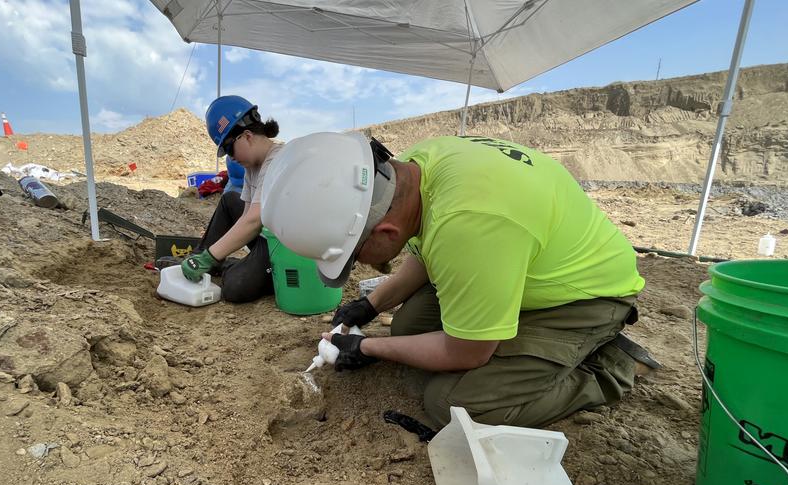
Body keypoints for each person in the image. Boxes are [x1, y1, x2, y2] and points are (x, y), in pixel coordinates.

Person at [260, 132, 660, 428]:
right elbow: (424, 251)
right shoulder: (412, 169)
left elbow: (467, 352)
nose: (360, 266)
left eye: (355, 257)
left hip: (582, 296)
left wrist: (370, 348)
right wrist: (371, 305)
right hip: (515, 262)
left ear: (384, 235)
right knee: (408, 327)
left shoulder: (468, 226)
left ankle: (610, 367)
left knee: (452, 403)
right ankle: (521, 341)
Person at [180, 96, 282, 303]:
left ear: (247, 136)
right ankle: (200, 259)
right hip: (268, 234)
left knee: (235, 287)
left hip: (283, 245)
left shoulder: (278, 160)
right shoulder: (252, 166)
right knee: (229, 200)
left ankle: (220, 264)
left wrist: (211, 256)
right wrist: (208, 254)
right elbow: (245, 215)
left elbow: (254, 222)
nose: (230, 157)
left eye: (228, 148)